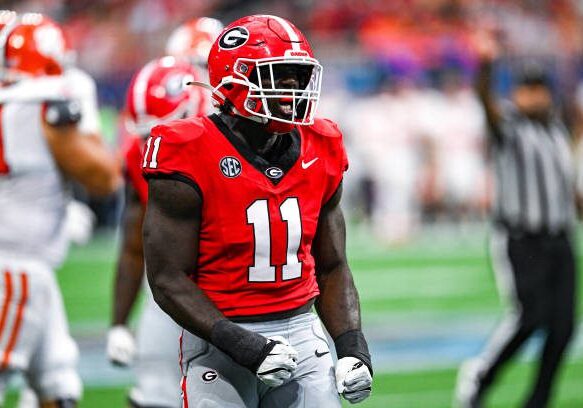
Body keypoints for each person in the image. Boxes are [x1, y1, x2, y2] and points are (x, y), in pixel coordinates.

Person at [142, 14, 373, 407]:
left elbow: (332, 264)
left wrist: (353, 347)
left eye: (298, 77)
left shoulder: (323, 144)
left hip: (303, 332)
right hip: (221, 337)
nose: (293, 89)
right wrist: (243, 346)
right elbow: (167, 277)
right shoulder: (189, 150)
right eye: (278, 76)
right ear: (233, 80)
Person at [0, 12, 122, 408]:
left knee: (57, 381)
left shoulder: (17, 104)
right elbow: (105, 179)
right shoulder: (41, 109)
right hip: (15, 268)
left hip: (28, 266)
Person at [455, 30, 577, 408]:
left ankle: (539, 399)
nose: (535, 95)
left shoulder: (557, 131)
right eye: (527, 88)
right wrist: (485, 65)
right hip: (522, 239)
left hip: (560, 238)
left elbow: (565, 187)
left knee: (563, 328)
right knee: (530, 317)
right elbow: (484, 101)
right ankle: (480, 375)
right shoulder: (508, 127)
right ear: (517, 92)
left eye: (540, 88)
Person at [107, 56, 206, 408]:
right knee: (154, 396)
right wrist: (118, 323)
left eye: (159, 130)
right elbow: (135, 242)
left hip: (235, 296)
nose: (153, 141)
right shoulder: (141, 153)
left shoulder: (235, 143)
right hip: (170, 291)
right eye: (147, 132)